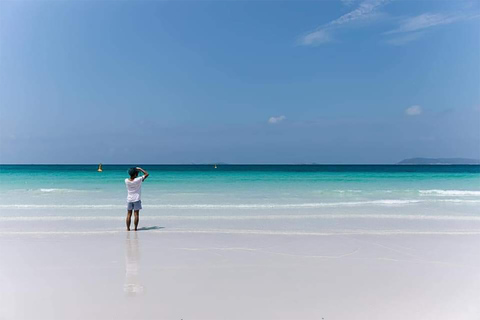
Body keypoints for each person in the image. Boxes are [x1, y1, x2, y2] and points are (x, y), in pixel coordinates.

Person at [125, 167, 149, 231]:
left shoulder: (126, 180)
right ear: (135, 174)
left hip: (129, 199)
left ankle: (128, 229)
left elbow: (133, 178)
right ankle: (135, 228)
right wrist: (140, 169)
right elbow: (147, 174)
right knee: (136, 214)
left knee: (129, 214)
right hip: (136, 199)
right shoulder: (138, 180)